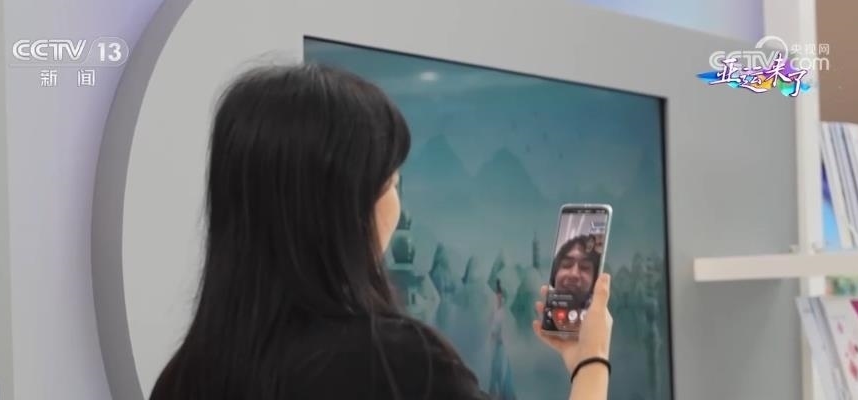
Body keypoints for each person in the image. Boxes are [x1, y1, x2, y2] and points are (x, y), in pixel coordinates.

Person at [148, 64, 614, 400]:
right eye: (391, 182)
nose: (397, 201)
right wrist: (589, 362)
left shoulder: (184, 377)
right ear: (344, 205)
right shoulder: (399, 365)